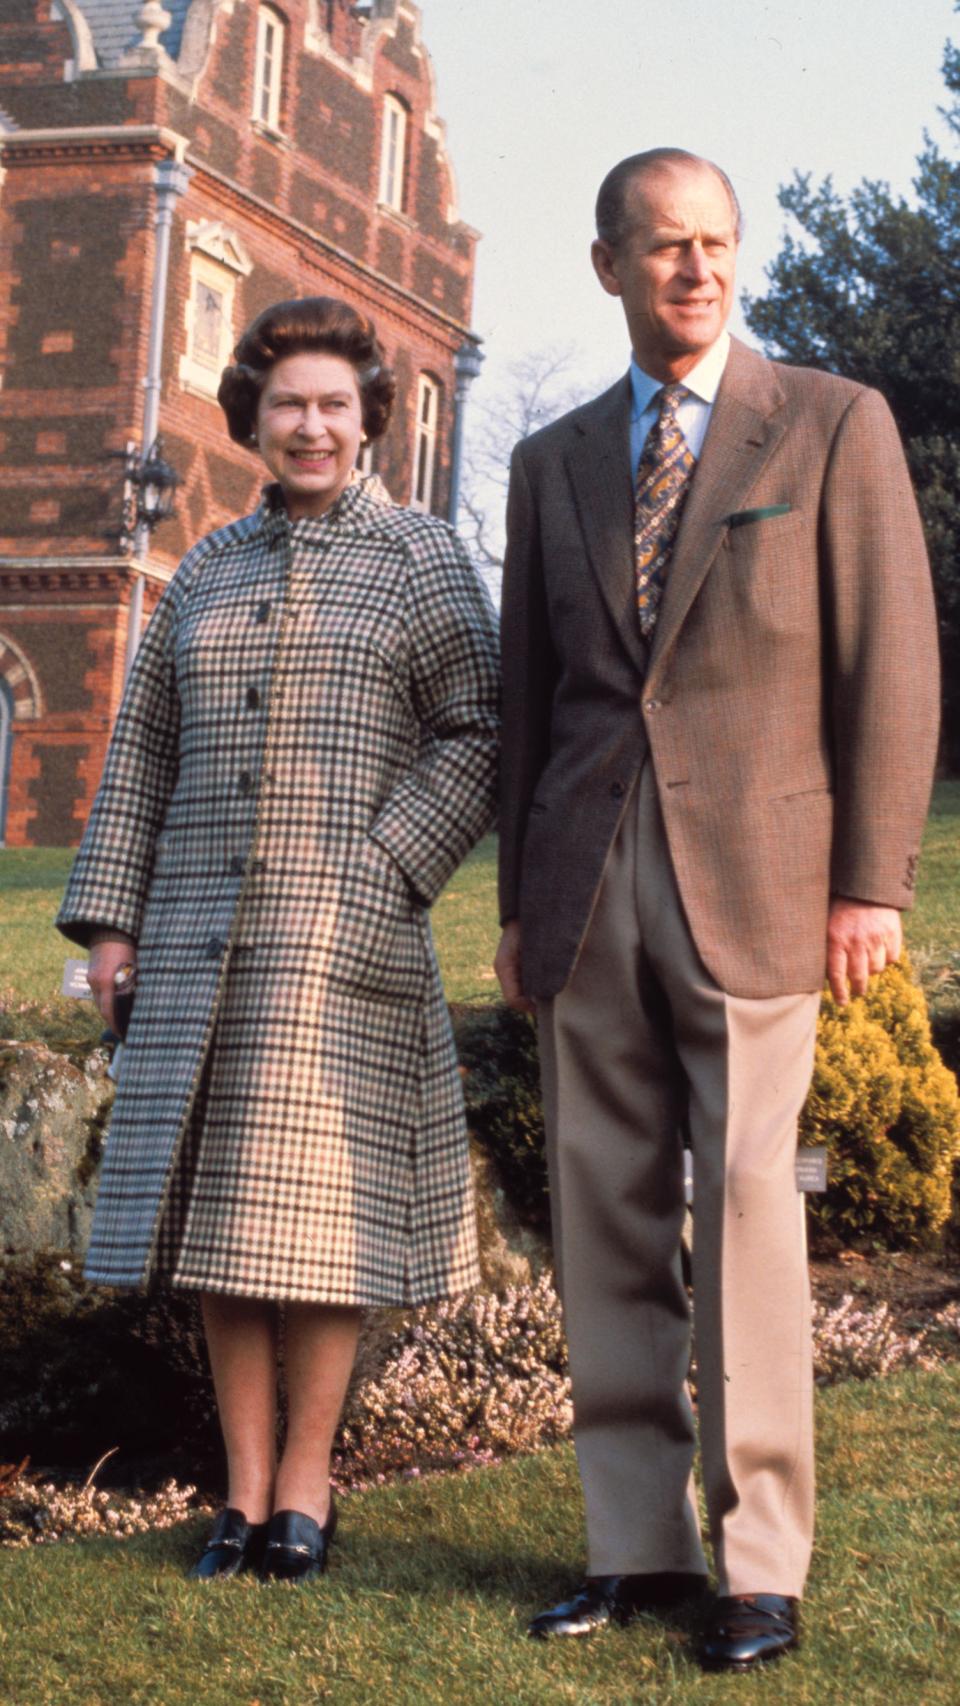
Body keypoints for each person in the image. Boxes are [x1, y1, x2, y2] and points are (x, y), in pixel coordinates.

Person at [495, 148, 939, 1671]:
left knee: (751, 1205)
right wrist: (521, 904)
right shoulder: (549, 461)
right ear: (607, 265)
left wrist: (870, 882)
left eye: (715, 242)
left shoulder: (829, 422)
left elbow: (892, 666)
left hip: (760, 881)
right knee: (604, 1214)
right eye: (663, 245)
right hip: (585, 884)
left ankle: (760, 1568)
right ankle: (637, 1548)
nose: (694, 267)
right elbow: (531, 701)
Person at [57, 296, 499, 1584]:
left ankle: (307, 1487)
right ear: (252, 418)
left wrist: (386, 867)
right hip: (195, 938)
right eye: (288, 404)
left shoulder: (419, 558)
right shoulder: (205, 567)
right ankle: (240, 1493)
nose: (311, 426)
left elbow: (479, 727)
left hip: (341, 944)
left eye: (334, 406)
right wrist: (114, 925)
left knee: (315, 1221)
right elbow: (142, 749)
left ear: (369, 422)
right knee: (220, 1224)